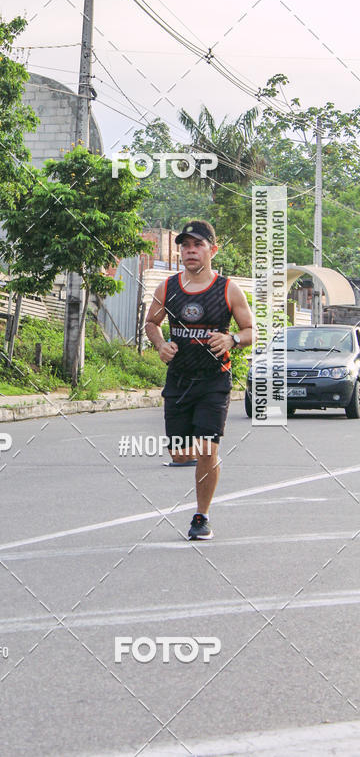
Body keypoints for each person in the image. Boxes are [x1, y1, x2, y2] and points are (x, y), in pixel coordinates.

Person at [145, 220, 255, 540]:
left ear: (212, 250)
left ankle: (201, 516)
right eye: (185, 245)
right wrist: (160, 344)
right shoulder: (168, 288)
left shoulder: (228, 289)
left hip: (213, 380)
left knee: (207, 448)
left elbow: (251, 331)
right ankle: (204, 457)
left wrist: (233, 339)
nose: (190, 251)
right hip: (179, 379)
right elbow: (152, 323)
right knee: (179, 452)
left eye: (198, 245)